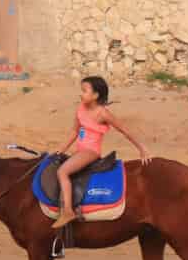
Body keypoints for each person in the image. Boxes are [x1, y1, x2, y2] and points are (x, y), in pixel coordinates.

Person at [50, 75, 147, 229]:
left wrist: (141, 148)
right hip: (79, 151)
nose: (81, 94)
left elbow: (124, 130)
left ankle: (68, 211)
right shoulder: (80, 108)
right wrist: (60, 150)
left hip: (90, 152)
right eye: (81, 90)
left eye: (84, 91)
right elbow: (74, 132)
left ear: (95, 95)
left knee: (62, 172)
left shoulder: (102, 113)